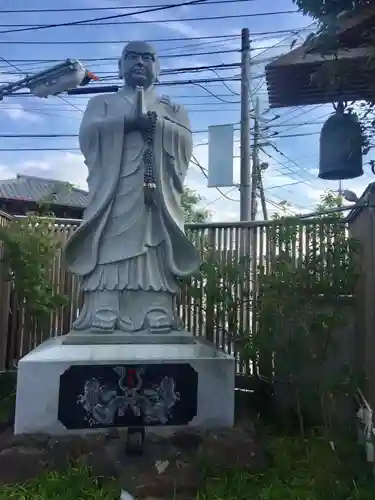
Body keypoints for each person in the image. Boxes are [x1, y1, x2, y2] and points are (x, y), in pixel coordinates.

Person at [64, 41, 200, 334]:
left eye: (147, 57)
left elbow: (186, 145)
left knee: (153, 247)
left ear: (157, 67)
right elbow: (88, 137)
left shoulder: (172, 108)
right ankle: (104, 306)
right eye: (132, 57)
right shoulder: (101, 103)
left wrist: (158, 126)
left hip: (154, 195)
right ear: (120, 66)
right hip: (114, 191)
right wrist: (126, 122)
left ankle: (155, 308)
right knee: (109, 244)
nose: (139, 62)